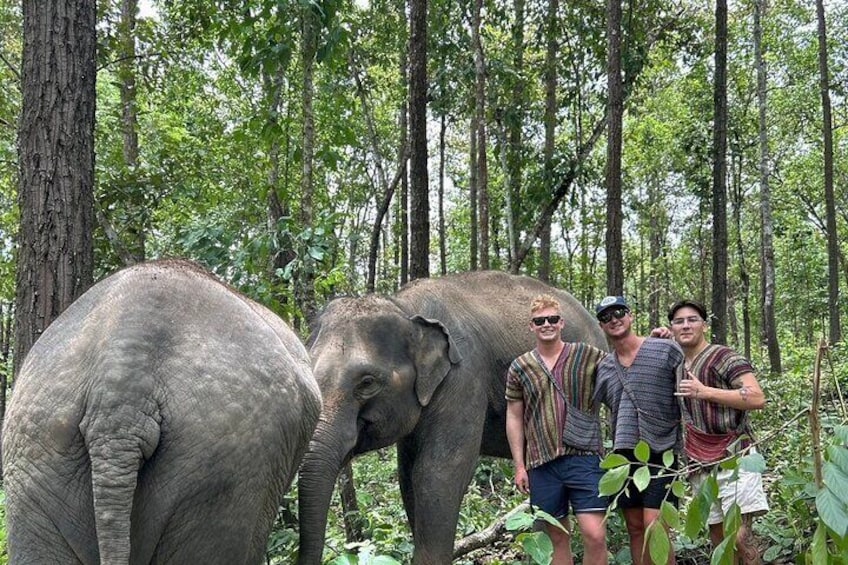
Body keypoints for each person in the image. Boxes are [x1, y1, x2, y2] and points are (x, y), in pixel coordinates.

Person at [505, 294, 609, 565]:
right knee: (556, 538)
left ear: (562, 323)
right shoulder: (520, 366)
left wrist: (658, 341)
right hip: (542, 462)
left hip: (584, 456)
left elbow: (620, 367)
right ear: (531, 326)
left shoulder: (587, 355)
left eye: (552, 319)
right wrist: (519, 465)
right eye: (540, 321)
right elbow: (514, 416)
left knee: (595, 534)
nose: (546, 325)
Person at [666, 299, 768, 565]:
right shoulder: (678, 367)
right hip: (700, 463)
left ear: (704, 325)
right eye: (679, 321)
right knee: (719, 539)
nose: (686, 325)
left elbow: (757, 397)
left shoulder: (724, 356)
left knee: (739, 538)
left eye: (692, 320)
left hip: (737, 455)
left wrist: (706, 392)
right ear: (672, 328)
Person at [593, 296, 683, 565]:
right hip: (624, 457)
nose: (614, 320)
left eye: (619, 312)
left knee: (656, 527)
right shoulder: (605, 367)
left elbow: (689, 385)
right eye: (606, 317)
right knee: (634, 527)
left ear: (630, 316)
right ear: (601, 326)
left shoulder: (664, 349)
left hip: (662, 450)